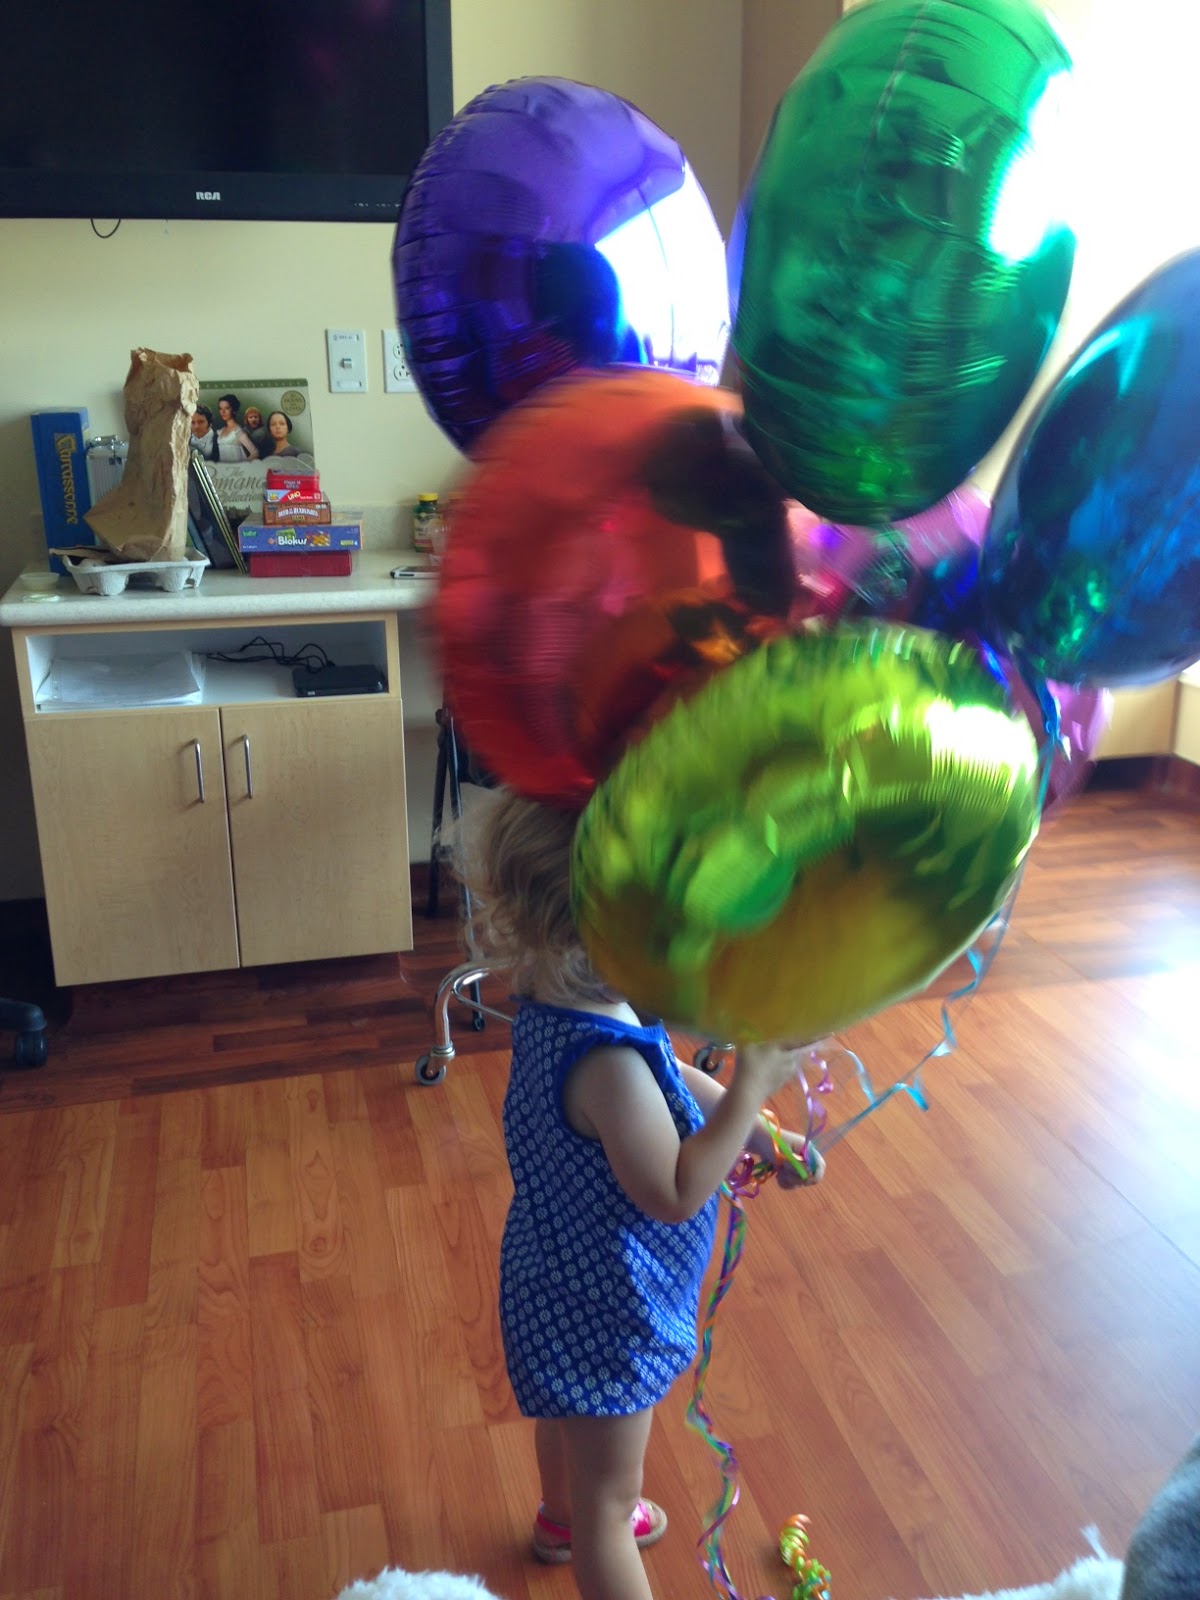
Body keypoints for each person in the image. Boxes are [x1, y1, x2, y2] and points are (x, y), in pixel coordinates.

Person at [448, 787, 824, 1600]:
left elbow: (669, 1077)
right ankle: (584, 1525)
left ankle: (559, 1519)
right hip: (611, 1308)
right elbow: (676, 1191)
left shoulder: (566, 1003)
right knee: (611, 1507)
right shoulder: (607, 1067)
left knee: (567, 1419)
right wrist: (752, 1089)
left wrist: (760, 1135)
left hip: (553, 1273)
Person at [214, 392, 259, 462]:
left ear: (234, 410)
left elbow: (255, 453)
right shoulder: (221, 431)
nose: (223, 412)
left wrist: (240, 466)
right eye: (220, 408)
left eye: (227, 408)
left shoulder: (238, 431)